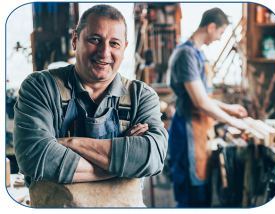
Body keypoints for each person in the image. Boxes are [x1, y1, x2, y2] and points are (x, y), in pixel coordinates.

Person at [13, 4, 168, 206]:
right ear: (75, 40)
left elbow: (152, 157)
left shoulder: (141, 96)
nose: (104, 52)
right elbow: (35, 156)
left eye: (114, 43)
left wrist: (71, 143)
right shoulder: (40, 87)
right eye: (95, 40)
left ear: (125, 48)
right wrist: (125, 161)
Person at [166, 7, 249, 207]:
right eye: (220, 32)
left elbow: (204, 96)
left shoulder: (198, 53)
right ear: (211, 27)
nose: (220, 38)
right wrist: (233, 122)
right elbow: (200, 102)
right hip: (187, 131)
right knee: (191, 195)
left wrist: (230, 109)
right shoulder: (186, 54)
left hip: (200, 129)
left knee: (202, 192)